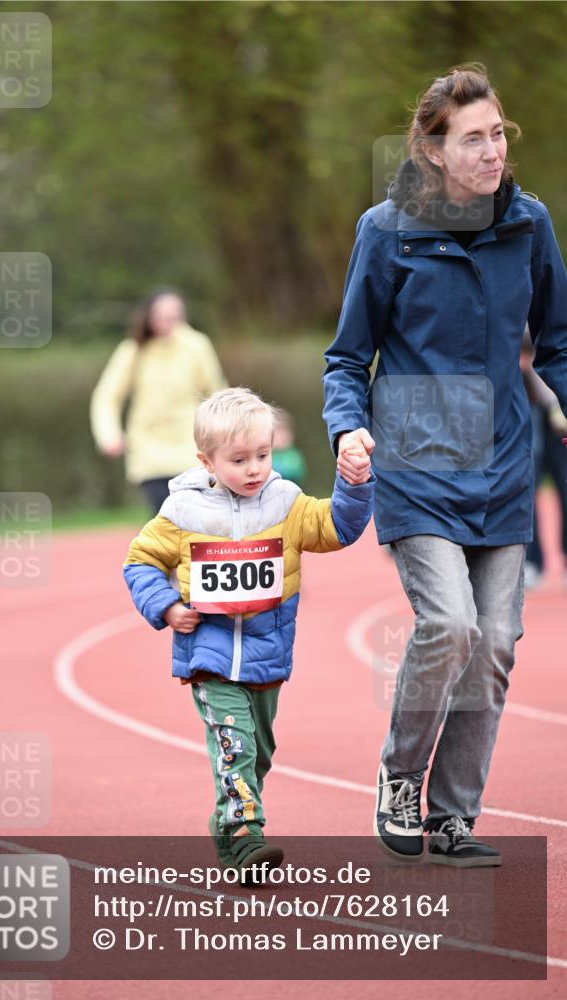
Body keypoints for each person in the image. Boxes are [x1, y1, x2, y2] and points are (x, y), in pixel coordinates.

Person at [323, 65, 567, 867]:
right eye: (473, 138)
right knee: (449, 624)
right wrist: (345, 429)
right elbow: (346, 357)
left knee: (495, 639)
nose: (491, 150)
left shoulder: (528, 224)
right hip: (418, 462)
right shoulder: (385, 232)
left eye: (497, 133)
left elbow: (557, 342)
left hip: (500, 463)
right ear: (431, 150)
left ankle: (453, 813)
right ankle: (398, 779)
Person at [124, 388, 374, 882]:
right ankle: (245, 839)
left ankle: (226, 822)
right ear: (207, 461)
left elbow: (338, 529)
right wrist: (168, 606)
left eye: (263, 454)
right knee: (235, 744)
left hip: (266, 654)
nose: (255, 467)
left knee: (257, 752)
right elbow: (140, 562)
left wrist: (355, 481)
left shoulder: (285, 501)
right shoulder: (182, 510)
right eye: (239, 460)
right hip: (210, 656)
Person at [90, 289, 227, 514]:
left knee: (197, 516)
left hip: (191, 446)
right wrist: (108, 435)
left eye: (174, 317)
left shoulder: (197, 345)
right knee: (163, 518)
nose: (168, 323)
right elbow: (107, 395)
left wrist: (225, 433)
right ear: (149, 317)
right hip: (149, 449)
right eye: (162, 317)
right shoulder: (133, 349)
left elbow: (217, 393)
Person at [520, 331, 567, 589]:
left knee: (565, 485)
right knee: (528, 485)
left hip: (559, 414)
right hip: (533, 411)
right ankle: (532, 560)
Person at [271, 408, 307, 488]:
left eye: (285, 432)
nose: (282, 437)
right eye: (278, 433)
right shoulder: (264, 455)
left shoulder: (293, 455)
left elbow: (294, 473)